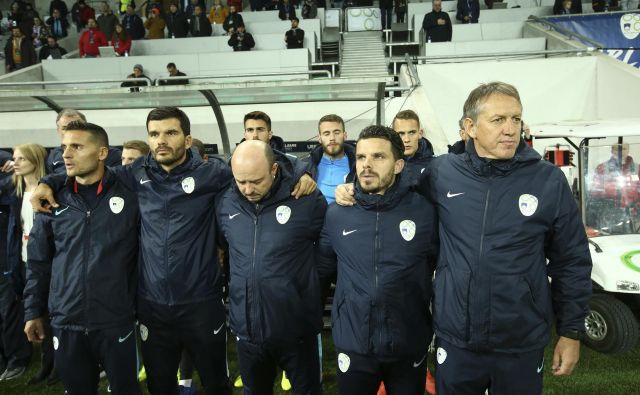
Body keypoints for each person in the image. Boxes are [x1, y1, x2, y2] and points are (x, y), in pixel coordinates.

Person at [337, 82, 593, 395]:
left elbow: (572, 261)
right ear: (470, 127)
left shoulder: (548, 180)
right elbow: (391, 190)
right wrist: (353, 189)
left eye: (516, 119)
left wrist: (570, 332)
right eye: (498, 120)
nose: (510, 129)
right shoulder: (442, 172)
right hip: (456, 337)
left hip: (520, 337)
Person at [318, 125, 438, 395]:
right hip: (354, 343)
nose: (367, 165)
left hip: (408, 341)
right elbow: (323, 271)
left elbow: (437, 262)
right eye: (361, 157)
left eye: (378, 157)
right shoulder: (337, 214)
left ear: (398, 165)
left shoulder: (425, 212)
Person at [23, 122, 142, 395]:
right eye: (64, 147)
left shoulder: (129, 192)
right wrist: (32, 311)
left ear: (102, 153)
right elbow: (39, 262)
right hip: (66, 320)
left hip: (116, 319)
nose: (66, 154)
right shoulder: (51, 201)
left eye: (77, 146)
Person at [217, 140, 327, 395]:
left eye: (256, 181)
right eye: (241, 181)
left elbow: (328, 249)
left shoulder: (306, 200)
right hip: (247, 332)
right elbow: (225, 246)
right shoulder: (226, 203)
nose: (248, 189)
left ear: (275, 169)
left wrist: (303, 286)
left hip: (296, 330)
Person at [0, 145, 44, 382]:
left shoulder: (49, 188)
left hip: (46, 263)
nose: (15, 162)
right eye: (14, 158)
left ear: (35, 161)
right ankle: (24, 359)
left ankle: (52, 363)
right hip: (22, 260)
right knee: (20, 310)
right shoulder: (14, 191)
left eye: (21, 158)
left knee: (49, 313)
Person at [47, 109, 122, 175]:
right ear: (58, 131)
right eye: (65, 128)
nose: (70, 132)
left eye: (77, 127)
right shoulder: (53, 155)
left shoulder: (113, 154)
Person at [304, 114, 355, 204]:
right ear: (319, 138)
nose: (332, 138)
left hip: (345, 214)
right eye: (326, 134)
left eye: (336, 132)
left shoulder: (359, 164)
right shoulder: (306, 165)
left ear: (345, 135)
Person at [391, 110, 434, 182]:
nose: (407, 140)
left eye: (411, 133)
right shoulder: (385, 165)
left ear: (420, 133)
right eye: (401, 134)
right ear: (393, 135)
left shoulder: (435, 166)